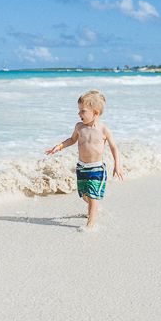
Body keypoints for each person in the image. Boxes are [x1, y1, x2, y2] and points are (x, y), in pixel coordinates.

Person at [45, 90, 123, 230]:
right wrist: (60, 146)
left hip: (97, 169)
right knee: (84, 195)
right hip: (81, 167)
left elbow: (114, 147)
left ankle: (90, 224)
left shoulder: (103, 130)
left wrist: (118, 165)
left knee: (93, 197)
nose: (79, 114)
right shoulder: (79, 127)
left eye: (83, 111)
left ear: (96, 112)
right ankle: (93, 207)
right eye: (79, 110)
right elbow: (72, 140)